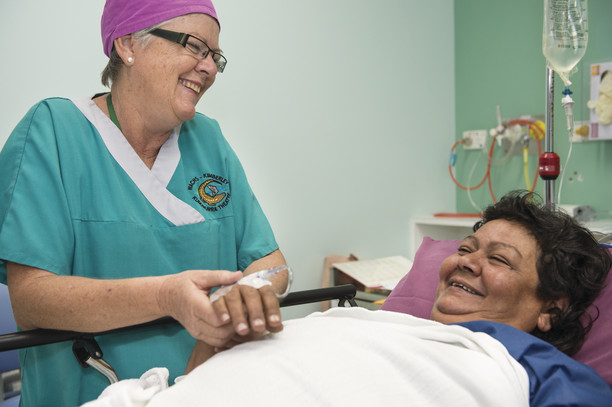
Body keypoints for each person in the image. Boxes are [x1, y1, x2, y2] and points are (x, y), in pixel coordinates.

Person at [0, 0, 290, 405]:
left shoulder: (209, 141)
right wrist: (166, 297)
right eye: (194, 46)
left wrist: (244, 294)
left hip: (206, 393)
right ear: (128, 44)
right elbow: (30, 299)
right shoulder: (52, 133)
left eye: (215, 56)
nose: (208, 67)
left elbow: (270, 263)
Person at [84, 191, 612, 407]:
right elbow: (195, 383)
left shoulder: (536, 371)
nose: (466, 260)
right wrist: (221, 331)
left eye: (498, 260)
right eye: (468, 247)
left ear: (551, 309)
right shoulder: (367, 321)